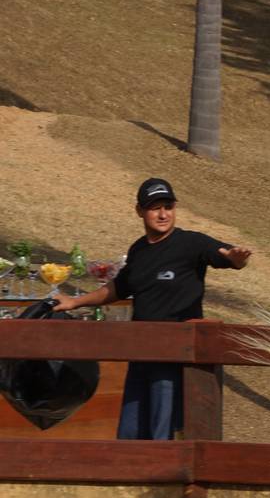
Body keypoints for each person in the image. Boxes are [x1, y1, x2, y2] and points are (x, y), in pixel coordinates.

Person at [53, 177, 251, 440]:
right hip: (141, 353)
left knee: (163, 433)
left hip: (173, 356)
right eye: (154, 207)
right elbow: (119, 288)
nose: (162, 214)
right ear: (139, 211)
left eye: (168, 206)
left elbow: (224, 256)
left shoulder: (191, 243)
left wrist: (236, 259)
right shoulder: (138, 250)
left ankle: (163, 480)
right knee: (130, 433)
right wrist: (74, 302)